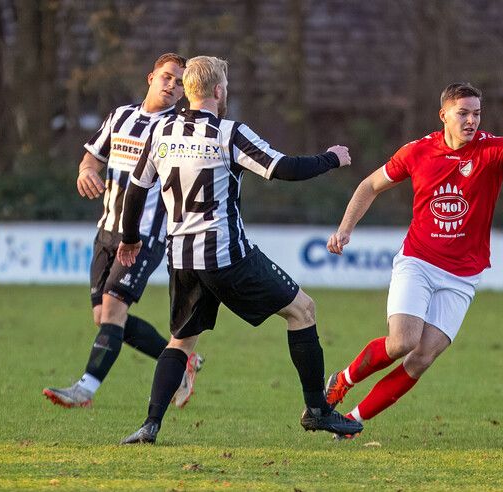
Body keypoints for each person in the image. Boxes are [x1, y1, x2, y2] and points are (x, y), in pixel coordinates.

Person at [116, 55, 364, 444]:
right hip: (227, 256)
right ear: (218, 91)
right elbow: (283, 167)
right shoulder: (228, 133)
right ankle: (317, 411)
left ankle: (150, 425)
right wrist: (331, 158)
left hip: (180, 257)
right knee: (303, 310)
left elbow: (136, 189)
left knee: (181, 340)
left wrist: (129, 237)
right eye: (226, 87)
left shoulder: (159, 132)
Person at [325, 83, 503, 438]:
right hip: (418, 261)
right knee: (403, 341)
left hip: (463, 276)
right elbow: (370, 185)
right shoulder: (417, 151)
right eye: (463, 113)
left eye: (476, 113)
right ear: (443, 115)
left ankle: (353, 421)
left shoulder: (492, 150)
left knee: (422, 357)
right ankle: (343, 379)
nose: (471, 120)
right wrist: (345, 228)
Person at [43, 53, 204, 410]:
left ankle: (84, 389)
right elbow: (92, 157)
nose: (173, 85)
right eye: (167, 77)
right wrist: (86, 171)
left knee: (114, 309)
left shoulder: (179, 128)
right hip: (106, 232)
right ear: (150, 77)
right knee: (103, 317)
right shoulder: (120, 116)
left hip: (144, 236)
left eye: (180, 82)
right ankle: (182, 360)